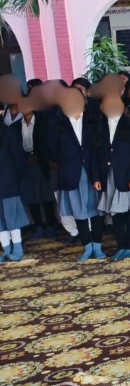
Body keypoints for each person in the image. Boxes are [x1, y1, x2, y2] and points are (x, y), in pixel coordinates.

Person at [49, 87, 103, 261]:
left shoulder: (93, 120)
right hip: (71, 173)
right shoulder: (58, 124)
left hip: (92, 172)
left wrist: (97, 175)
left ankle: (98, 246)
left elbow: (97, 149)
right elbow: (53, 150)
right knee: (78, 211)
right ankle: (87, 246)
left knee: (96, 211)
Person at [94, 94, 130, 261]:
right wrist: (97, 177)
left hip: (127, 175)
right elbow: (97, 154)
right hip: (109, 175)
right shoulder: (100, 125)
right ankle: (121, 245)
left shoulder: (129, 124)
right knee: (115, 213)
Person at [17, 92, 54, 240]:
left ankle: (50, 226)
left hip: (42, 162)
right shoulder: (15, 126)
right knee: (31, 196)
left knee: (46, 196)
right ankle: (38, 227)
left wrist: (41, 157)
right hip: (25, 163)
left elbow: (48, 142)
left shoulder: (43, 121)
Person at [0, 106, 29, 262]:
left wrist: (14, 181)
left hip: (8, 184)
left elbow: (19, 162)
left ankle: (17, 248)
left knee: (12, 218)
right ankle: (6, 249)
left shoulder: (10, 133)